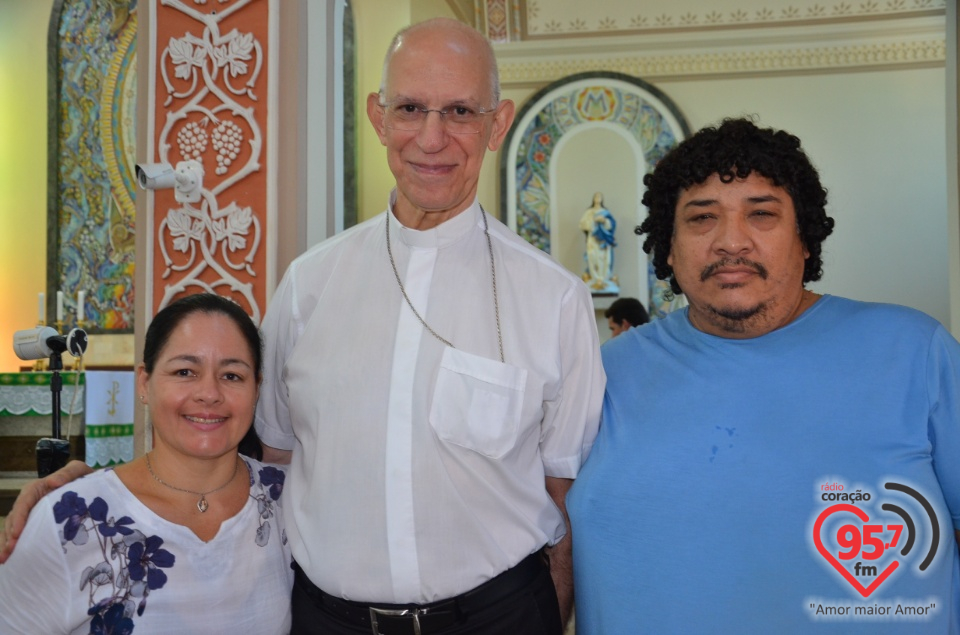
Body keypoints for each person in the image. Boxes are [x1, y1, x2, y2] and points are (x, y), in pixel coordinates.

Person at [3, 19, 603, 634]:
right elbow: (267, 465)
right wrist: (92, 495)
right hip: (328, 620)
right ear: (377, 116)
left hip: (497, 617)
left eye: (459, 112)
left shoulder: (553, 298)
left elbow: (564, 499)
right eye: (410, 108)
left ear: (497, 124)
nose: (431, 137)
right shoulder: (310, 284)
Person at [567, 118, 960, 634]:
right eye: (701, 218)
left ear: (805, 240)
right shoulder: (604, 375)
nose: (732, 242)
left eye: (762, 214)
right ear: (668, 246)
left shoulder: (914, 353)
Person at [0, 293, 293, 633]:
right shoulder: (70, 523)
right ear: (144, 382)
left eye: (232, 376)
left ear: (256, 389)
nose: (209, 393)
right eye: (185, 371)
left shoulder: (287, 500)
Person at [579, 192, 618, 293]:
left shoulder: (605, 212)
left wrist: (604, 221)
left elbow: (612, 225)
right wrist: (593, 221)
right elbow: (583, 224)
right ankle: (595, 279)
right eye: (596, 196)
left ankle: (603, 278)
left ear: (602, 199)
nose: (598, 198)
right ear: (593, 199)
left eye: (599, 196)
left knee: (603, 259)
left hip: (603, 241)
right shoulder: (589, 212)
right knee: (593, 257)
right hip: (593, 240)